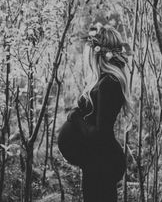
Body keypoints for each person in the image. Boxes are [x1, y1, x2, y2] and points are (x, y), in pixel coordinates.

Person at [58, 23, 133, 202]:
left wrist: (76, 118)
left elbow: (101, 134)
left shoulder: (109, 84)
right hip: (96, 161)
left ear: (97, 54)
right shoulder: (105, 82)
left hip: (102, 164)